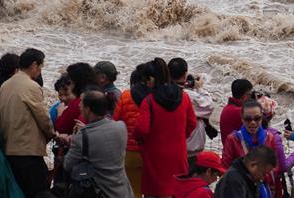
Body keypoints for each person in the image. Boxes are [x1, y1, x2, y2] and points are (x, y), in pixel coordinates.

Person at [0, 47, 60, 198]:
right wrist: (53, 134)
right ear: (34, 65)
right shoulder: (31, 86)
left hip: (8, 149)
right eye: (40, 67)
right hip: (27, 150)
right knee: (39, 191)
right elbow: (43, 116)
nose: (40, 71)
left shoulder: (5, 85)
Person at [133, 57, 196, 198]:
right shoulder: (183, 97)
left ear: (151, 79)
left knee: (155, 193)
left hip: (155, 157)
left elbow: (141, 129)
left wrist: (140, 139)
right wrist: (179, 136)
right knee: (177, 191)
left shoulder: (148, 101)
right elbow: (192, 123)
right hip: (178, 154)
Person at [63, 91, 134, 198]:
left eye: (81, 106)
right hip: (123, 191)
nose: (80, 108)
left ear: (88, 109)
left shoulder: (82, 137)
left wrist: (74, 138)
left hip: (100, 192)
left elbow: (68, 164)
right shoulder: (120, 127)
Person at [221, 99, 280, 195]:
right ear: (242, 119)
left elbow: (275, 166)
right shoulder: (233, 139)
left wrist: (262, 175)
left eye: (257, 118)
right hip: (241, 189)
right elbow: (225, 168)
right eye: (248, 119)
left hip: (264, 189)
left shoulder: (269, 138)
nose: (253, 122)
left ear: (262, 118)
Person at [169, 57, 215, 163]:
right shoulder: (187, 95)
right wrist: (199, 88)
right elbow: (208, 107)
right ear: (185, 74)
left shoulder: (162, 92)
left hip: (171, 143)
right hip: (189, 148)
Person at [114, 64, 149, 198]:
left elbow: (116, 121)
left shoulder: (126, 96)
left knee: (133, 191)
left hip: (129, 151)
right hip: (149, 152)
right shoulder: (155, 97)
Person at [257, 94, 294, 197]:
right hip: (272, 184)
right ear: (272, 115)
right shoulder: (274, 137)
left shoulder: (249, 133)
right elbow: (283, 166)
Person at [55, 62, 97, 135]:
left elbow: (61, 128)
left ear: (76, 81)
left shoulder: (77, 103)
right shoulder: (98, 94)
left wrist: (60, 114)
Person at [220, 78, 254, 147]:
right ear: (244, 96)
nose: (251, 97)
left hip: (229, 151)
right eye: (249, 94)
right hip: (236, 154)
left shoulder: (227, 108)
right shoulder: (238, 111)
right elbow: (260, 128)